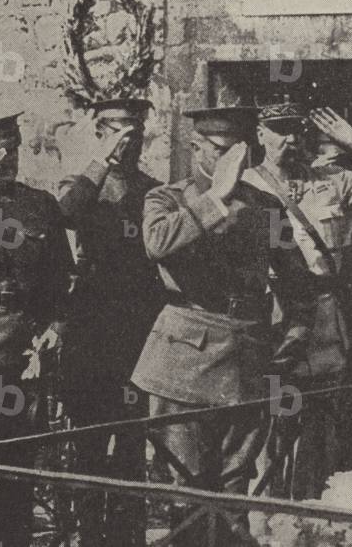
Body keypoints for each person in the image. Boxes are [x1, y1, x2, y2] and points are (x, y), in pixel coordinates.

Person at [130, 106, 309, 546]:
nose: (237, 163)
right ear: (196, 148)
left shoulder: (266, 207)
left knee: (234, 491)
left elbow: (298, 280)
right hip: (183, 363)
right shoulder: (166, 198)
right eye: (225, 152)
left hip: (246, 360)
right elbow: (158, 244)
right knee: (186, 491)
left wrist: (295, 334)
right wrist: (216, 197)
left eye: (241, 154)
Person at [243, 99, 352, 498]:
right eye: (278, 129)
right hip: (272, 317)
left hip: (324, 318)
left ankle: (310, 514)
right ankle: (265, 515)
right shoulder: (244, 185)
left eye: (295, 130)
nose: (289, 138)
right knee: (269, 423)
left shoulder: (332, 179)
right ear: (260, 135)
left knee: (320, 421)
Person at [56, 98, 163, 547]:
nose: (127, 142)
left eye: (134, 133)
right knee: (88, 438)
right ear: (100, 133)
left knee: (132, 437)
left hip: (138, 324)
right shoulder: (80, 183)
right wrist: (101, 160)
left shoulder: (155, 188)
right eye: (117, 131)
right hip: (91, 325)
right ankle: (86, 535)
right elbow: (67, 214)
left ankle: (127, 536)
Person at [0, 111, 72, 547]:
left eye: (11, 149)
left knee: (18, 456)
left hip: (20, 352)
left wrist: (55, 324)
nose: (4, 159)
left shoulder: (40, 206)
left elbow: (60, 279)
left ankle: (15, 539)